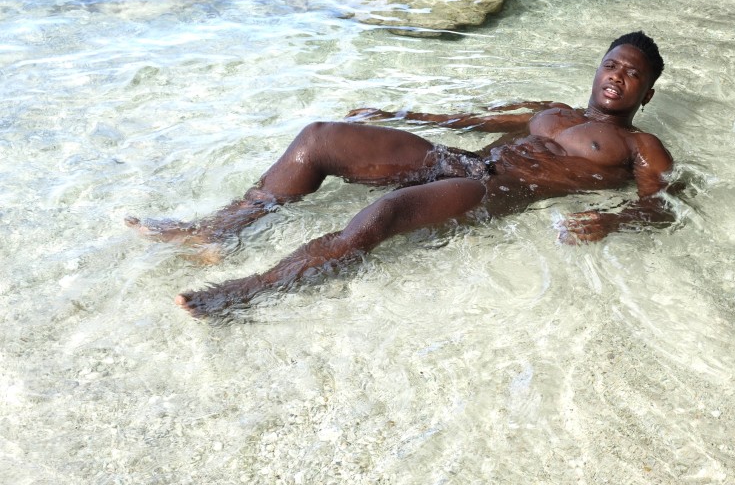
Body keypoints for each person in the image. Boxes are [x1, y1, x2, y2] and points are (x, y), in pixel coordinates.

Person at [126, 31, 674, 317]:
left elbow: (664, 204)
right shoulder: (549, 110)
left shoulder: (641, 146)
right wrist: (399, 114)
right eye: (611, 64)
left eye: (632, 74)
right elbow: (470, 119)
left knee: (382, 215)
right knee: (319, 138)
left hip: (487, 189)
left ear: (646, 94)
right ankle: (219, 231)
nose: (617, 75)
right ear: (597, 68)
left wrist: (615, 221)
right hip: (457, 160)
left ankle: (246, 292)